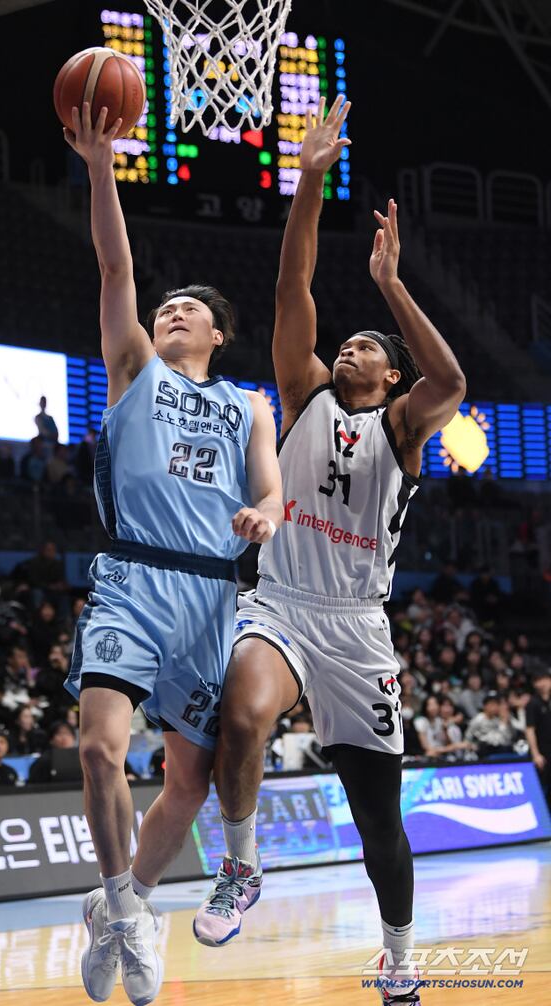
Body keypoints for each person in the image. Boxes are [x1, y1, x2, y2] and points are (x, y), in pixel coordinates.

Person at [193, 96, 466, 1006]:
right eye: (343, 344)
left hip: (357, 630)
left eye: (364, 349)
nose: (346, 350)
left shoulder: (404, 427)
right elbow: (292, 289)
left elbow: (452, 378)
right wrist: (308, 180)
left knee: (378, 821)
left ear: (390, 377)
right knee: (243, 715)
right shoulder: (305, 393)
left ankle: (398, 954)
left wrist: (391, 284)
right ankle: (240, 866)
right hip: (280, 603)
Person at [62, 101, 283, 1006]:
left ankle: (126, 898)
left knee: (190, 782)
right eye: (165, 309)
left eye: (189, 309)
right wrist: (101, 165)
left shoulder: (248, 405)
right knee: (99, 749)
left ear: (218, 335)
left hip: (210, 598)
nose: (171, 312)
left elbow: (270, 488)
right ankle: (124, 911)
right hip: (132, 577)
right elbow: (115, 265)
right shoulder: (134, 371)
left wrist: (266, 516)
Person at [525, 669, 551, 808]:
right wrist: (535, 754)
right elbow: (530, 729)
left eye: (544, 679)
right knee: (540, 787)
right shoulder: (533, 703)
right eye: (537, 681)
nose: (541, 684)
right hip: (542, 753)